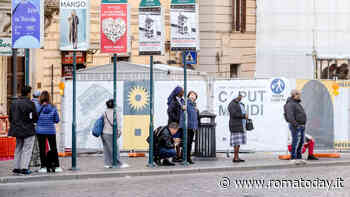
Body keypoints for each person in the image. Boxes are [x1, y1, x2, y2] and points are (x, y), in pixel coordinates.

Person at [8, 86, 38, 175]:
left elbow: (10, 117)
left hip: (17, 129)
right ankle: (24, 168)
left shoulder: (14, 103)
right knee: (27, 149)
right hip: (28, 129)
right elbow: (35, 117)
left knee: (18, 148)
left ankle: (16, 167)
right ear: (28, 93)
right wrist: (32, 121)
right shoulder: (30, 103)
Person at [36, 91, 62, 173]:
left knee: (42, 149)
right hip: (51, 130)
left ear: (41, 97)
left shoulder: (38, 107)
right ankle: (57, 166)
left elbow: (35, 117)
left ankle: (43, 167)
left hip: (40, 131)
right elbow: (57, 120)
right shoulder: (53, 107)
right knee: (54, 148)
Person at [101, 99, 128, 168]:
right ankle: (118, 163)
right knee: (115, 149)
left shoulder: (104, 113)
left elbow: (102, 122)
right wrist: (119, 132)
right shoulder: (116, 113)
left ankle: (107, 164)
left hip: (104, 133)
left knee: (107, 149)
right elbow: (118, 124)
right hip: (112, 133)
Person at [284, 89, 307, 164]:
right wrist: (296, 125)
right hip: (296, 126)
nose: (300, 96)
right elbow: (290, 116)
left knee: (301, 142)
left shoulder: (296, 103)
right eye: (299, 95)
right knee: (295, 141)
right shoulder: (290, 104)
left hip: (302, 125)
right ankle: (293, 158)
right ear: (295, 95)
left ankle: (299, 157)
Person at [228, 91, 248, 163]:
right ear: (236, 96)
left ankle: (237, 157)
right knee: (236, 142)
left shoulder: (240, 104)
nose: (241, 97)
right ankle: (235, 158)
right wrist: (243, 116)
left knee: (238, 142)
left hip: (241, 125)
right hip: (235, 125)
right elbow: (234, 114)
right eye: (240, 96)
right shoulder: (232, 104)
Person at [180, 91, 199, 164]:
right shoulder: (186, 103)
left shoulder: (194, 105)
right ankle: (185, 158)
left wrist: (195, 127)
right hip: (186, 126)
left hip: (192, 127)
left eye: (194, 95)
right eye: (191, 95)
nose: (192, 96)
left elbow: (195, 117)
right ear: (188, 96)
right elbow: (182, 107)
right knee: (186, 143)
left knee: (189, 143)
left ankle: (188, 158)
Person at [167, 86, 185, 162]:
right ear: (178, 92)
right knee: (175, 140)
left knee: (179, 140)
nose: (183, 93)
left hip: (181, 123)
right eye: (181, 91)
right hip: (174, 123)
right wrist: (177, 119)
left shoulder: (182, 100)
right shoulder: (173, 101)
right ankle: (175, 156)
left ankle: (178, 155)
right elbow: (169, 112)